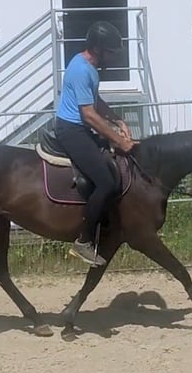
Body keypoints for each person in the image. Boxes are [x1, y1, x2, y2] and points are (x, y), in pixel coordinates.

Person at [55, 20, 136, 267]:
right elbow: (88, 114)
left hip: (79, 127)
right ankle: (84, 241)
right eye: (111, 52)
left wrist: (117, 120)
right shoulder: (81, 70)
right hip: (71, 130)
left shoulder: (88, 67)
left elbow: (96, 101)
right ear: (98, 48)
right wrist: (119, 140)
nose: (113, 57)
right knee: (106, 182)